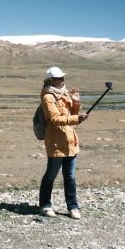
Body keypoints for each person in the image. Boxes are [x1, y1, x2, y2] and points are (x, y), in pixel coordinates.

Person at [38, 66, 87, 219]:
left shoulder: (65, 94)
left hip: (69, 140)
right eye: (59, 78)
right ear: (50, 80)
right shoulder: (48, 97)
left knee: (70, 176)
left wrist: (76, 103)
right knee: (51, 175)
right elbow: (54, 119)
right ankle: (45, 205)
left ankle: (73, 207)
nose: (62, 81)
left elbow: (71, 115)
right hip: (55, 142)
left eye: (62, 78)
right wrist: (77, 118)